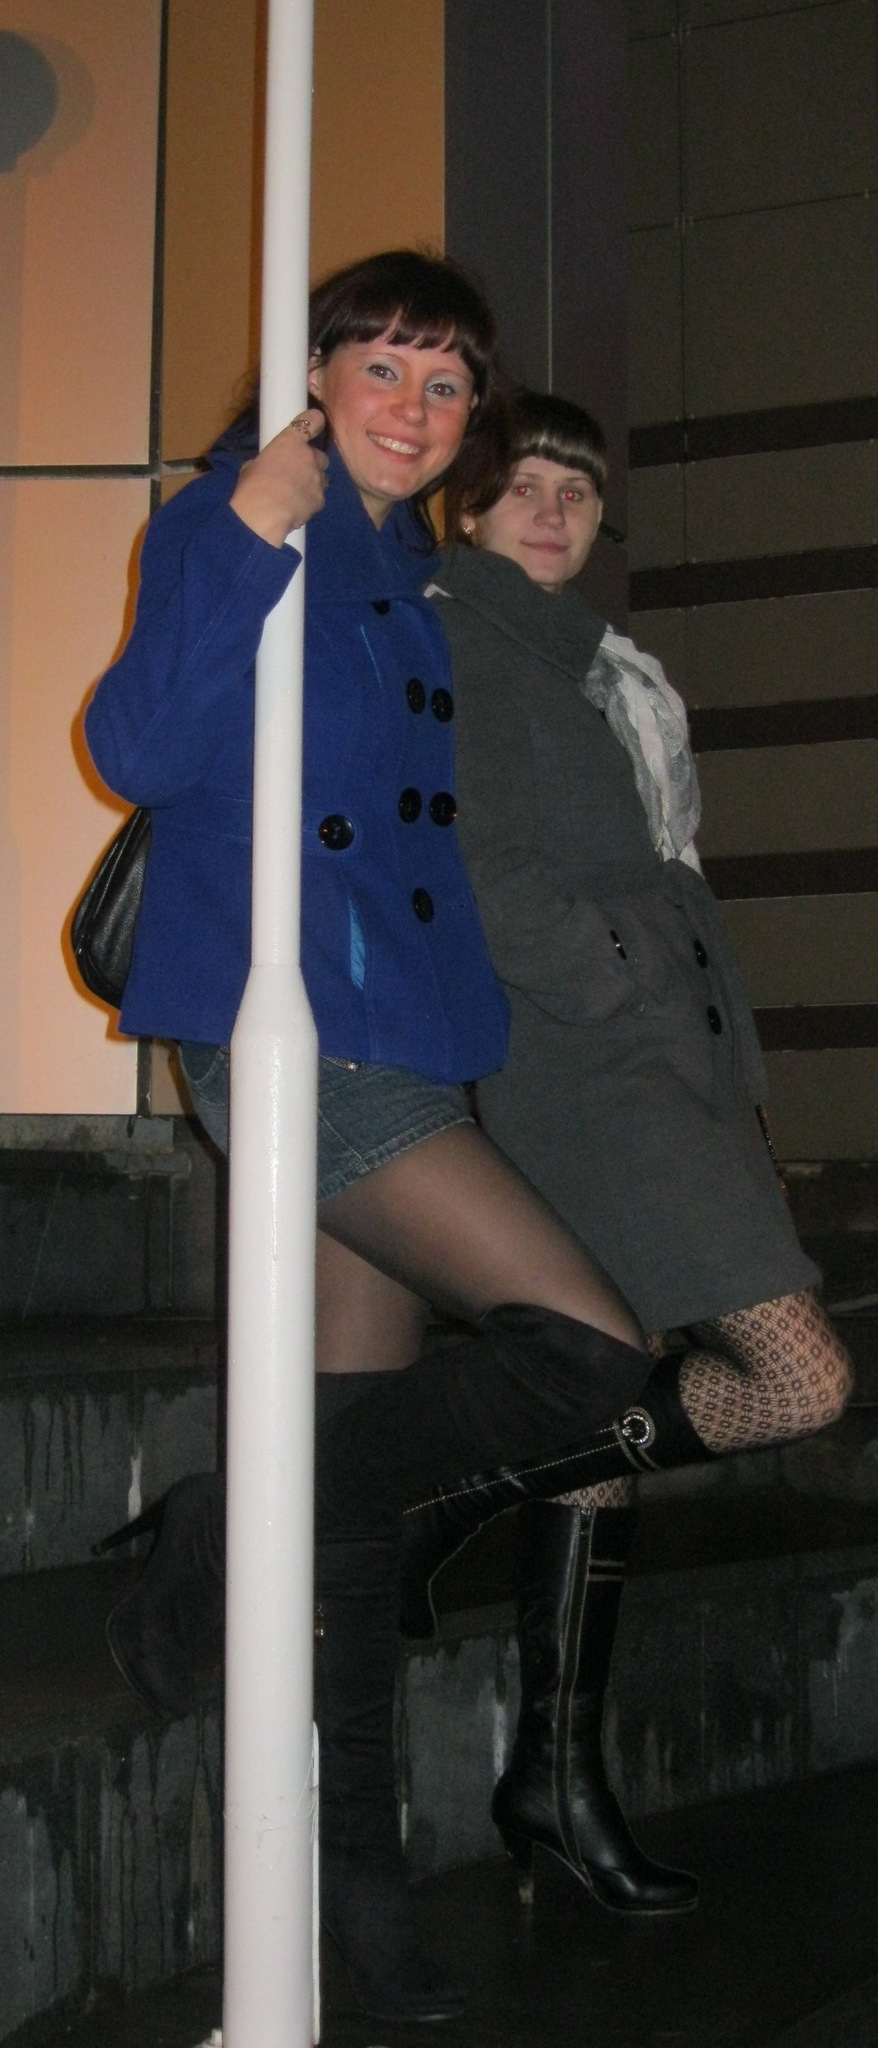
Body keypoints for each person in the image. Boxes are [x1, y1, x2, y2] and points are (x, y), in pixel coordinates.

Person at [83, 260, 670, 2025]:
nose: (414, 407)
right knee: (588, 1356)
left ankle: (360, 1888)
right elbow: (136, 746)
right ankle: (227, 1509)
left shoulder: (414, 570)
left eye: (446, 380)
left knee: (349, 1511)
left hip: (399, 1023)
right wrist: (248, 521)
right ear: (315, 375)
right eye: (382, 367)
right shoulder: (239, 523)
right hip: (287, 1024)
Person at [400, 387, 852, 1917]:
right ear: (468, 503)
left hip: (663, 1062)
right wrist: (609, 977)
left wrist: (715, 1057)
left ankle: (553, 1774)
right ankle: (446, 1492)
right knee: (799, 1379)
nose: (551, 509)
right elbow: (471, 856)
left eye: (576, 490)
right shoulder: (459, 640)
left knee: (617, 1392)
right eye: (522, 483)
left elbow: (663, 877)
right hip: (590, 1068)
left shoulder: (590, 663)